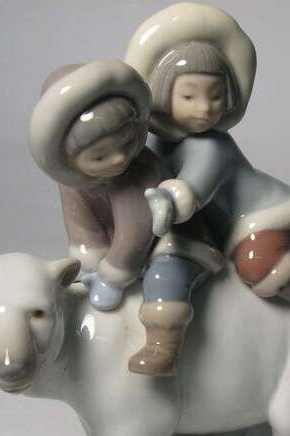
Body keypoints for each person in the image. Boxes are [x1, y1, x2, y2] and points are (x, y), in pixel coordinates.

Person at [125, 3, 290, 333]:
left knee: (255, 264)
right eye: (189, 96)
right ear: (162, 94)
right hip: (211, 226)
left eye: (216, 96)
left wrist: (167, 201)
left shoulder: (211, 146)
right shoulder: (157, 141)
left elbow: (194, 188)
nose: (205, 108)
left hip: (256, 218)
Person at [30, 60, 223, 376]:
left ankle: (164, 345)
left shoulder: (138, 172)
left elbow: (136, 232)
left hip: (173, 238)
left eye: (127, 142)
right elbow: (80, 224)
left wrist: (113, 275)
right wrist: (89, 259)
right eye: (99, 155)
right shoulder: (72, 181)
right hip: (122, 246)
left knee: (164, 277)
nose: (119, 158)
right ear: (66, 156)